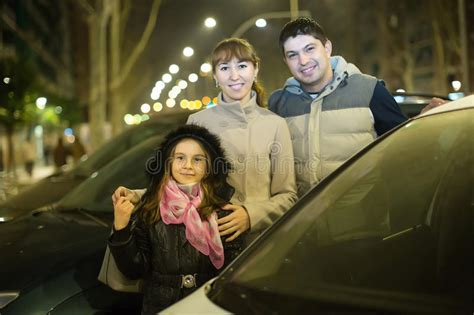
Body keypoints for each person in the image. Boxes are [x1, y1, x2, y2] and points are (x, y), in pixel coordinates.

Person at [114, 38, 297, 246]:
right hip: (205, 244)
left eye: (242, 66)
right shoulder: (198, 121)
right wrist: (138, 196)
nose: (234, 75)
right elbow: (179, 184)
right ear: (215, 76)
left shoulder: (275, 124)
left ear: (255, 70)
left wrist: (250, 215)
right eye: (225, 67)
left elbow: (288, 196)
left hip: (259, 245)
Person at [268, 17, 446, 196]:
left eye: (310, 49)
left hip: (363, 218)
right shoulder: (279, 104)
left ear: (327, 48)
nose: (303, 60)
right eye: (293, 55)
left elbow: (403, 146)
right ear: (285, 60)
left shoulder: (370, 90)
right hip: (299, 220)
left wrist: (422, 124)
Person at [109, 124, 241, 314]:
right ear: (168, 163)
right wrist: (121, 228)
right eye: (180, 158)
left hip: (206, 305)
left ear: (209, 166)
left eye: (197, 159)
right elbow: (134, 270)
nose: (188, 165)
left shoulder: (222, 210)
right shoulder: (151, 209)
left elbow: (232, 271)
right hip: (161, 306)